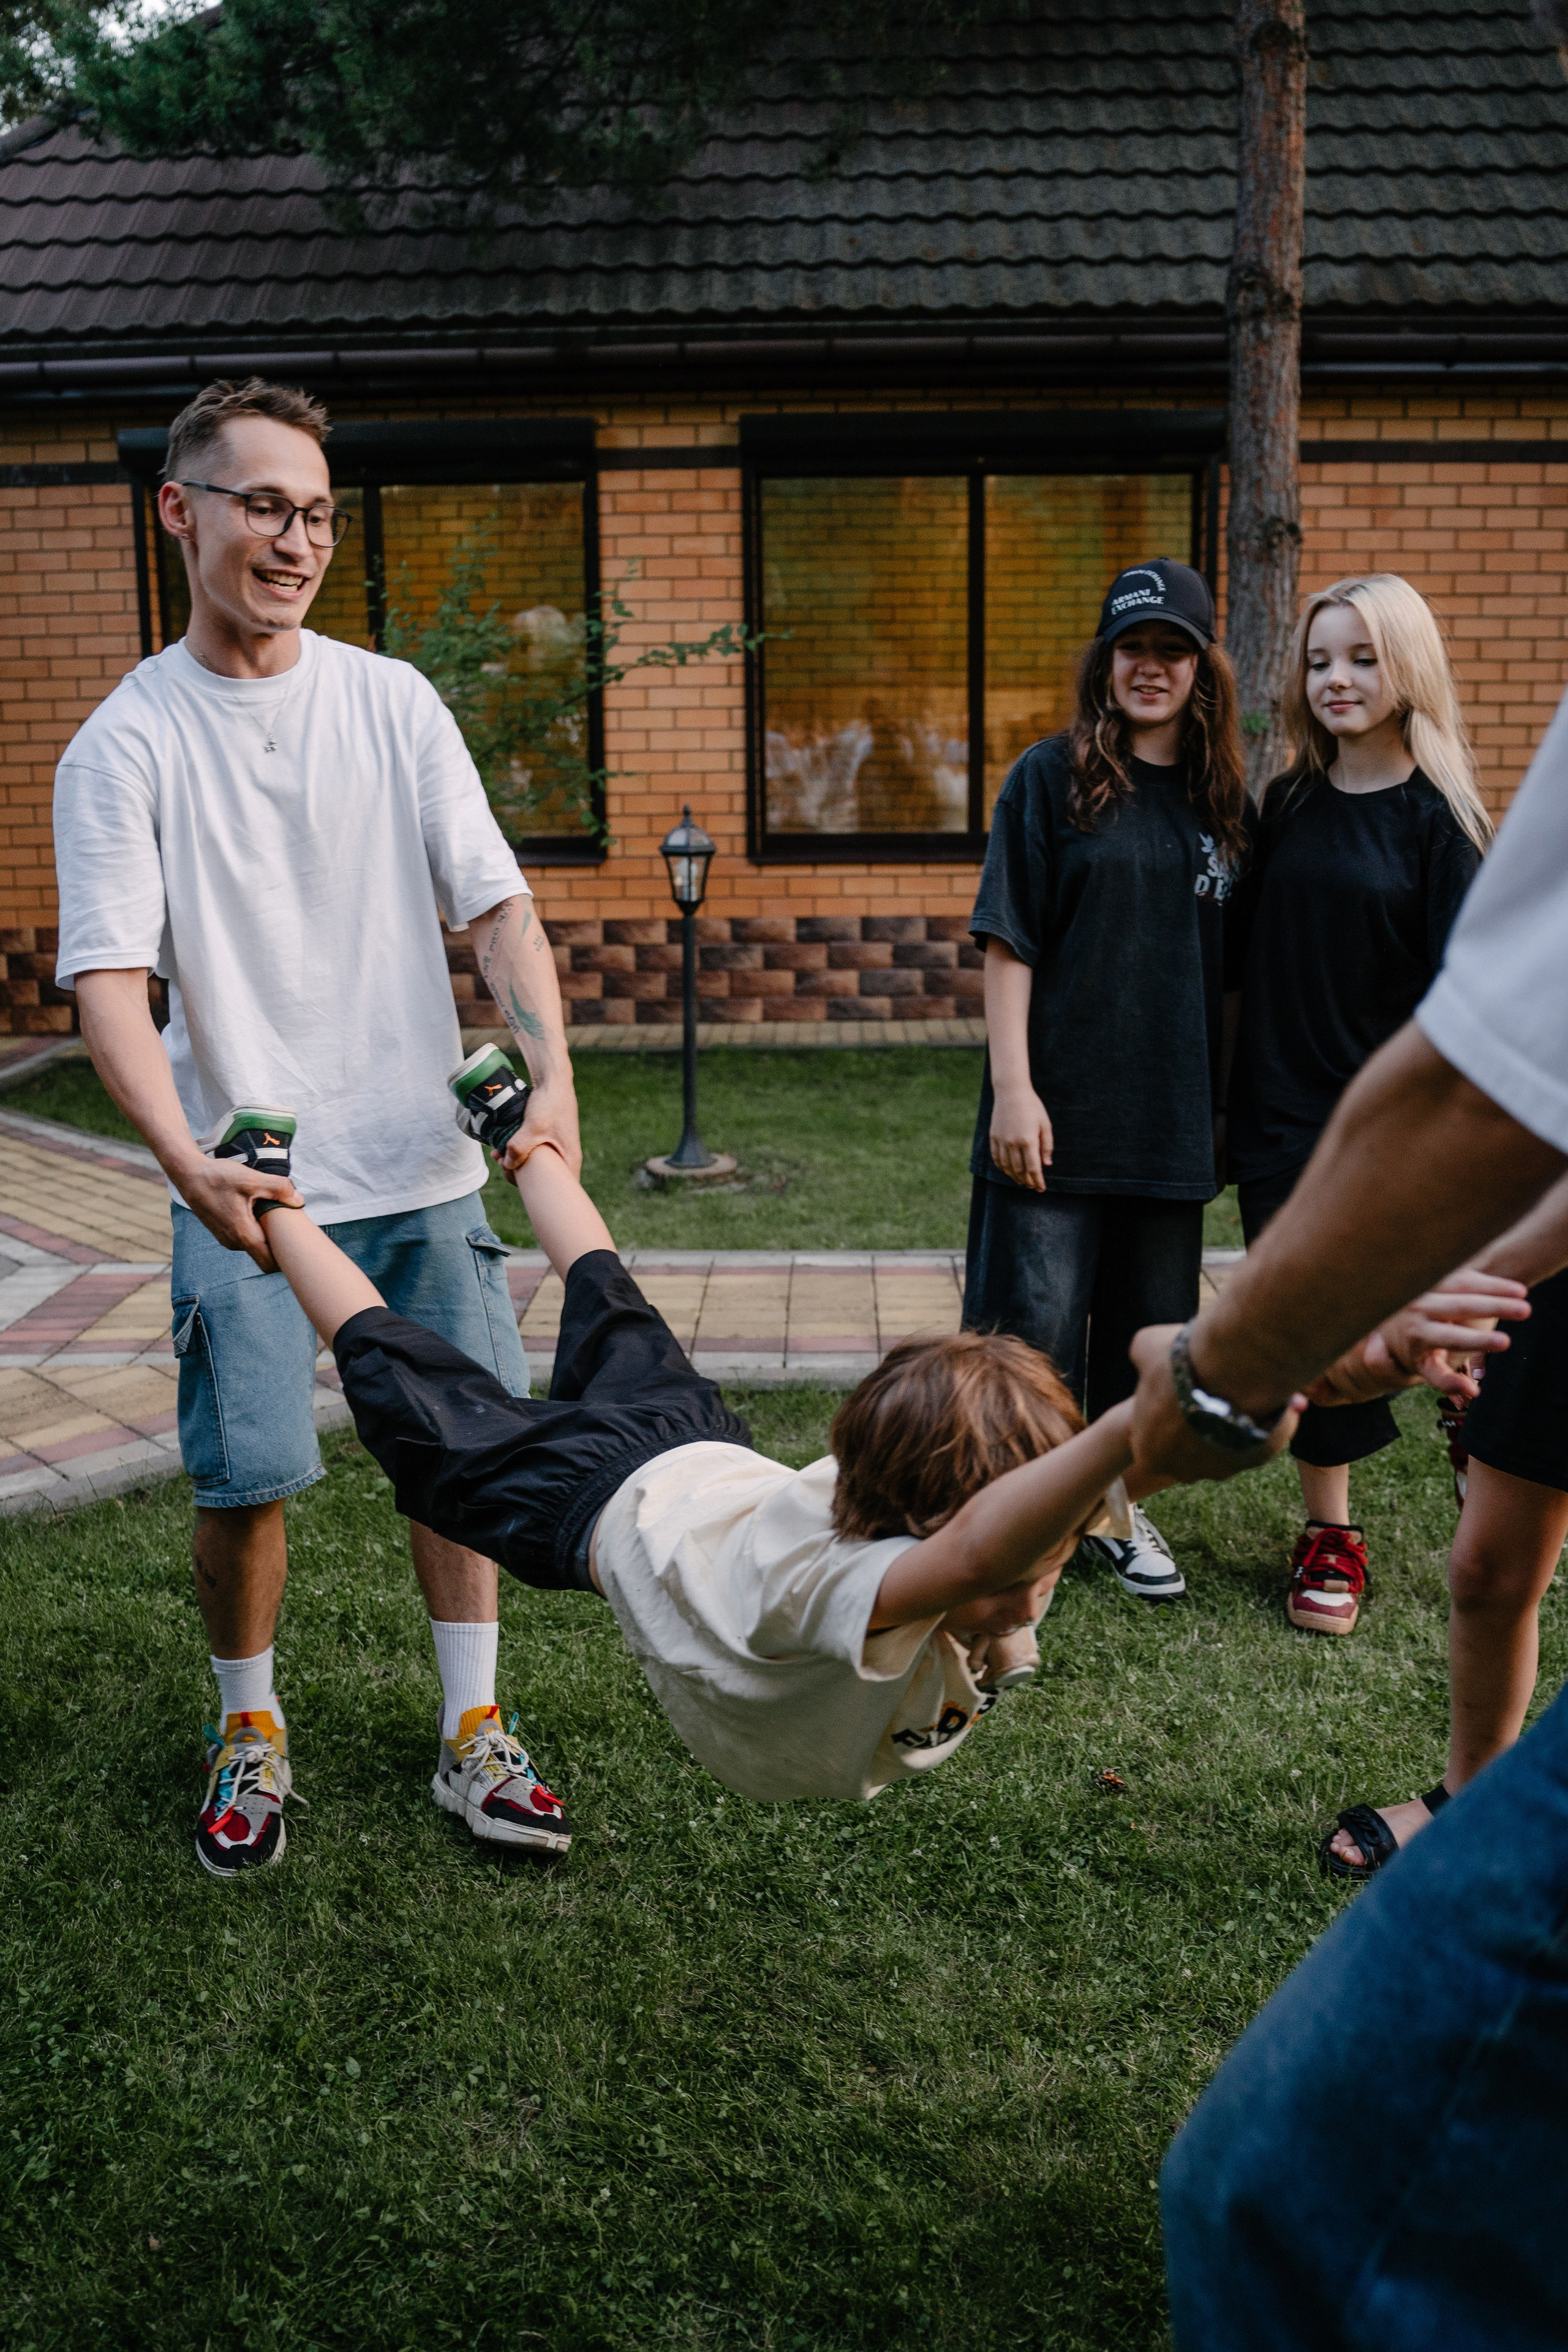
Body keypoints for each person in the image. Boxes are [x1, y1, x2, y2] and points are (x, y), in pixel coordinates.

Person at [51, 376, 582, 1878]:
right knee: (247, 1476)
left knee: (461, 1458)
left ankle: (474, 1729)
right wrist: (186, 1165)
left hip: (419, 1167)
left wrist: (550, 1075)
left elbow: (496, 905)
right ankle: (250, 1726)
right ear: (181, 510)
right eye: (266, 507)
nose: (296, 542)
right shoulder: (124, 744)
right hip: (251, 1187)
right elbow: (109, 987)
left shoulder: (390, 700)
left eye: (319, 516)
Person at [1128, 668, 1568, 2345]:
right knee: (1492, 1560)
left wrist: (1246, 1362)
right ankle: (1465, 1796)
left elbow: (1474, 1088)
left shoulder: (1443, 823)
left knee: (1269, 2207)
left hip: (1463, 1234)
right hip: (1505, 1256)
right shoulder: (1293, 807)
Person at [189, 1099, 1135, 1811]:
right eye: (1030, 1568)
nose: (1037, 1592)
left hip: (697, 1441)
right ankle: (268, 1189)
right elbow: (986, 1559)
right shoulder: (833, 1586)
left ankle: (514, 1124)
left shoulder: (944, 1523)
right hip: (582, 1500)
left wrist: (1017, 1605)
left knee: (606, 1288)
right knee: (397, 1366)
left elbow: (1030, 1522)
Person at [963, 557, 1250, 1605]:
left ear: (1202, 669)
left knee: (1144, 1348)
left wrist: (1224, 1112)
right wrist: (1015, 1090)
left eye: (1174, 650)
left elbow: (1234, 981)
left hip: (1170, 1123)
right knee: (1028, 1340)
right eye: (1134, 647)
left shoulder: (1225, 803)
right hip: (1055, 1114)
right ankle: (1011, 1528)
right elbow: (1009, 941)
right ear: (1106, 660)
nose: (1152, 667)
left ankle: (1115, 1513)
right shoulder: (1049, 778)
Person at [1227, 575, 1488, 1634]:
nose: (1337, 679)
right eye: (1321, 660)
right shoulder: (1286, 805)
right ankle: (1329, 1533)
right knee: (1309, 1325)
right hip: (1281, 1117)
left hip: (1390, 1129)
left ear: (1407, 668)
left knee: (1431, 1317)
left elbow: (1462, 1004)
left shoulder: (1442, 824)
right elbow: (1246, 962)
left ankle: (1473, 1422)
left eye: (1364, 658)